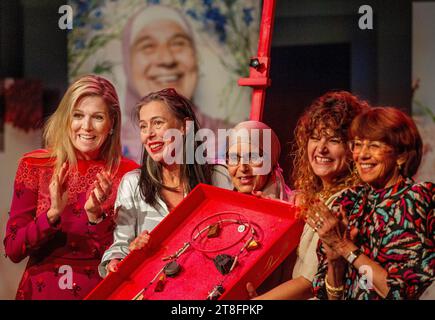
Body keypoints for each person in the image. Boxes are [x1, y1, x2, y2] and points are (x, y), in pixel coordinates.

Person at [3, 75, 139, 299]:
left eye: (97, 117)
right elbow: (14, 249)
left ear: (112, 123)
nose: (86, 126)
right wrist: (52, 214)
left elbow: (128, 254)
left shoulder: (129, 174)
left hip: (103, 292)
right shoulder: (35, 165)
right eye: (78, 115)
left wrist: (95, 216)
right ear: (66, 118)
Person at [247, 91, 369, 299]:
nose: (321, 149)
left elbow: (309, 282)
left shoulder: (345, 201)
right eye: (315, 138)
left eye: (333, 140)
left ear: (353, 148)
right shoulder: (317, 195)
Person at [99, 88, 232, 277]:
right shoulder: (133, 183)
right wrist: (120, 260)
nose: (149, 134)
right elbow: (120, 247)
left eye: (158, 123)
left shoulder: (219, 176)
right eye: (143, 127)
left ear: (185, 127)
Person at [309, 107, 434, 299]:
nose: (361, 155)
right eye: (357, 144)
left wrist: (345, 247)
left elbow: (399, 293)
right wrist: (336, 262)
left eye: (374, 146)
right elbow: (328, 295)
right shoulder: (349, 201)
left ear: (401, 155)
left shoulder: (415, 199)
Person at [121, 4, 230, 162]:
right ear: (127, 63)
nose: (167, 59)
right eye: (148, 46)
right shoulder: (110, 150)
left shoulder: (233, 139)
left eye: (178, 43)